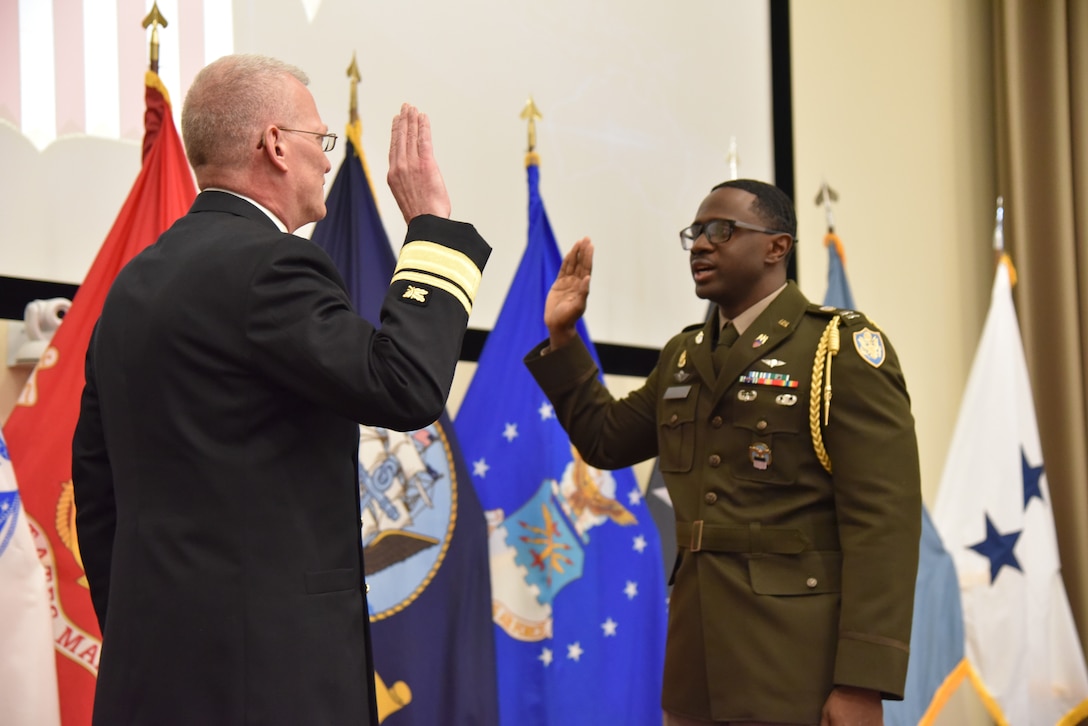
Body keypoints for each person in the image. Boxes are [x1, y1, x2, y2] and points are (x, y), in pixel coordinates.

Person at [71, 54, 490, 726]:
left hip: (148, 673)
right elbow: (404, 386)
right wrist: (432, 234)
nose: (327, 161)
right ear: (273, 144)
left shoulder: (134, 284)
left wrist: (147, 626)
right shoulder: (270, 266)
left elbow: (95, 485)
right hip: (265, 682)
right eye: (319, 142)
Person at [525, 179, 921, 726]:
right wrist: (563, 337)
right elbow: (605, 439)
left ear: (777, 247)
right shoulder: (684, 355)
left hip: (793, 661)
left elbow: (884, 526)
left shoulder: (837, 350)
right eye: (695, 233)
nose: (700, 245)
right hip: (697, 664)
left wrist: (863, 682)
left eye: (721, 231)